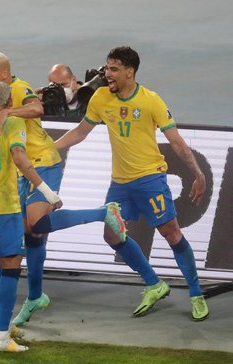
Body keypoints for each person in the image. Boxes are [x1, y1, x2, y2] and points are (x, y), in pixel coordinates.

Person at [54, 46, 209, 321]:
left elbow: (176, 142)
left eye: (113, 69)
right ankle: (155, 283)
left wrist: (197, 173)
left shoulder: (151, 101)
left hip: (150, 179)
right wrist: (51, 148)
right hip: (120, 184)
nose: (107, 74)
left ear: (130, 71)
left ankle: (196, 294)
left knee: (171, 234)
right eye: (107, 68)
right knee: (111, 235)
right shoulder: (101, 97)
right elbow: (81, 131)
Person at [0, 52, 127, 327]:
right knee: (33, 233)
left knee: (37, 222)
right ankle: (35, 296)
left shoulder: (19, 89)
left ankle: (103, 213)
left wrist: (7, 111)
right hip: (25, 169)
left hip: (43, 164)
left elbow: (36, 109)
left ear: (3, 74)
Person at [0, 81, 64, 352]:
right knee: (11, 268)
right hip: (4, 207)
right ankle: (1, 338)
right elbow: (20, 158)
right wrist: (48, 193)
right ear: (9, 105)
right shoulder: (14, 124)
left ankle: (5, 324)